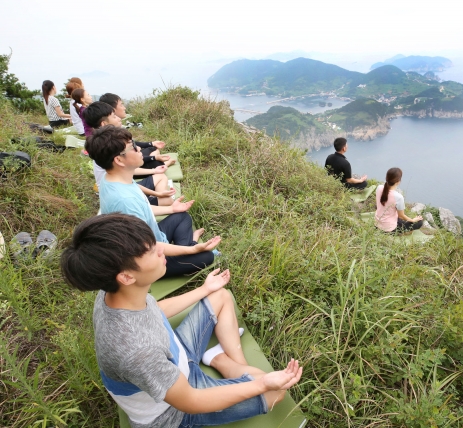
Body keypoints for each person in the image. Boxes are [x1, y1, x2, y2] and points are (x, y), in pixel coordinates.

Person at [60, 213, 302, 428]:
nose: (162, 250)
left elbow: (155, 311)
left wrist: (205, 289)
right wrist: (261, 385)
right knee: (276, 391)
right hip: (174, 412)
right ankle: (228, 367)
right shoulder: (136, 351)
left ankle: (233, 368)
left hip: (175, 356)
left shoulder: (111, 292)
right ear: (126, 276)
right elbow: (190, 401)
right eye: (151, 251)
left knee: (219, 294)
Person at [85, 125, 219, 277]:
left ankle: (187, 248)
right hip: (146, 260)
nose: (139, 149)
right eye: (133, 147)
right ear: (119, 160)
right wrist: (192, 250)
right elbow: (148, 248)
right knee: (207, 257)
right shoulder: (124, 201)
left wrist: (171, 209)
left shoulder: (114, 178)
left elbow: (144, 208)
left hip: (153, 236)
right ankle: (190, 246)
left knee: (181, 216)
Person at [83, 101, 175, 206]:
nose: (118, 118)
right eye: (114, 116)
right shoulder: (109, 148)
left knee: (159, 174)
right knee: (169, 201)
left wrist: (157, 193)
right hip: (124, 193)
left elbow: (131, 183)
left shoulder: (107, 143)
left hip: (125, 183)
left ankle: (153, 196)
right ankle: (152, 198)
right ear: (103, 124)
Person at [99, 92, 174, 171]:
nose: (124, 108)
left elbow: (132, 146)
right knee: (156, 162)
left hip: (127, 163)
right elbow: (127, 160)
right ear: (113, 110)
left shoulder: (113, 131)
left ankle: (157, 161)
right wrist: (154, 159)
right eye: (121, 105)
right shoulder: (112, 136)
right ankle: (162, 164)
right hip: (127, 166)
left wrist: (152, 146)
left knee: (153, 149)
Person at [375, 167, 423, 233]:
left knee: (400, 220)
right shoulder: (398, 197)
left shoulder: (379, 187)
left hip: (377, 223)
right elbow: (401, 216)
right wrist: (412, 220)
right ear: (398, 182)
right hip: (389, 228)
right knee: (420, 222)